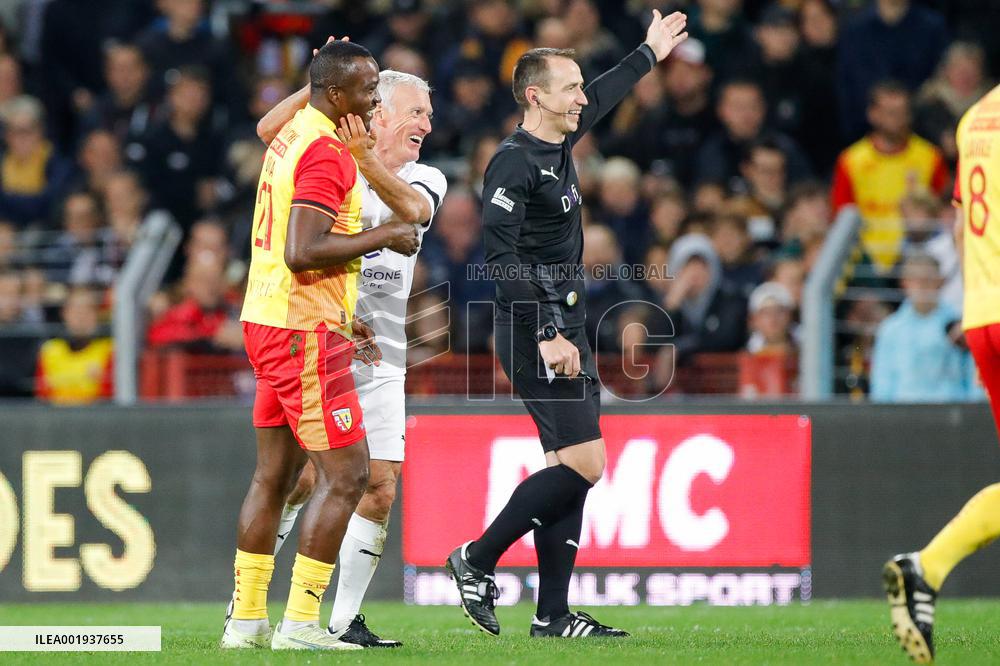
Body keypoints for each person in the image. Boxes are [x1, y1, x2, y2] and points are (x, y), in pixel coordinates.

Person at [444, 10, 689, 639]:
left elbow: (606, 94)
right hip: (533, 327)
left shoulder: (558, 141)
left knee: (568, 468)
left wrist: (649, 52)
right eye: (570, 88)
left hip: (563, 324)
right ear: (536, 97)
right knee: (586, 463)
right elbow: (501, 260)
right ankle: (475, 558)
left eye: (580, 87)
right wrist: (547, 332)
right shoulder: (512, 163)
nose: (582, 97)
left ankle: (552, 616)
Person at [220, 40, 419, 652]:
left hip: (271, 318)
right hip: (301, 331)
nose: (375, 100)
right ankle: (302, 624)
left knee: (274, 476)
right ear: (335, 94)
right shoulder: (328, 152)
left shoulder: (292, 132)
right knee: (349, 475)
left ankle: (246, 623)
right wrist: (385, 234)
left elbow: (293, 243)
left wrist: (342, 312)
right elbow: (302, 250)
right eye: (366, 89)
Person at [254, 66, 447, 648]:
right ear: (377, 113)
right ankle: (253, 608)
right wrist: (319, 80)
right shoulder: (327, 154)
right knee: (302, 479)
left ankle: (343, 620)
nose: (428, 124)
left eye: (429, 114)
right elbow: (268, 131)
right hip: (319, 333)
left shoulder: (425, 176)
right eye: (417, 112)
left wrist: (367, 158)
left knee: (379, 484)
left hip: (383, 346)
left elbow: (415, 211)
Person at [883, 81, 1000, 664]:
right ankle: (926, 566)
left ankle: (925, 569)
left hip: (982, 312)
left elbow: (960, 227)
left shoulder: (978, 116)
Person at [870, 252, 976, 402]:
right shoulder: (890, 329)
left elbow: (973, 377)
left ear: (940, 282)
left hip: (952, 408)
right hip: (903, 409)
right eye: (916, 280)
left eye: (928, 280)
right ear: (904, 284)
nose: (922, 285)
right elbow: (882, 382)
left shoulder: (961, 324)